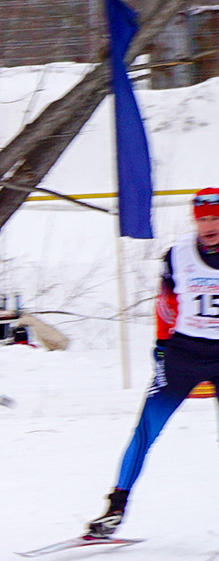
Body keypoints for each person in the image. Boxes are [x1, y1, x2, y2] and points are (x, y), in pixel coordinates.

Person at [83, 189, 219, 539]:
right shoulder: (178, 256)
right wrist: (160, 348)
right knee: (145, 431)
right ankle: (114, 510)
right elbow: (166, 304)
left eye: (215, 217)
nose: (208, 225)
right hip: (185, 353)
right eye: (202, 218)